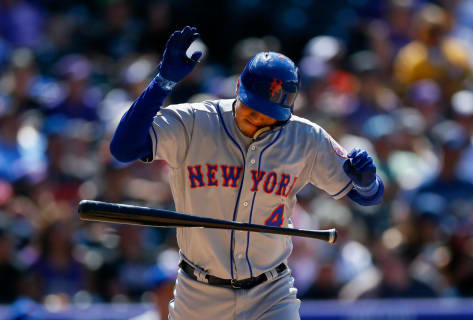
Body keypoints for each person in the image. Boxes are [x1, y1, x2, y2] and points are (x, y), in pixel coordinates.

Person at [110, 26, 384, 320]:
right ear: (238, 88)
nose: (257, 123)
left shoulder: (305, 138)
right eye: (252, 113)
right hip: (199, 293)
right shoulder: (195, 122)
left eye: (268, 119)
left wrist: (367, 182)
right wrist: (162, 84)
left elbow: (367, 196)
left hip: (270, 293)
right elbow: (123, 148)